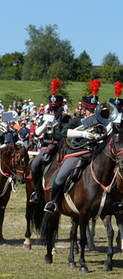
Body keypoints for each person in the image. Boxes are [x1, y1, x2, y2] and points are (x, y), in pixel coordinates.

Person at [44, 85, 107, 214]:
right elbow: (64, 132)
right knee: (61, 177)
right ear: (84, 110)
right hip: (77, 153)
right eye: (90, 110)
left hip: (94, 153)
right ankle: (53, 202)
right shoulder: (77, 121)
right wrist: (83, 134)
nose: (92, 112)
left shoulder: (100, 122)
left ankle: (114, 202)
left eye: (94, 109)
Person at [29, 79, 71, 207]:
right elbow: (36, 133)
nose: (53, 112)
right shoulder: (45, 118)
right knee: (35, 165)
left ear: (61, 109)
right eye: (51, 109)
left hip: (62, 147)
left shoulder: (67, 119)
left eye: (55, 110)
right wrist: (46, 124)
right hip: (47, 146)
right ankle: (37, 191)